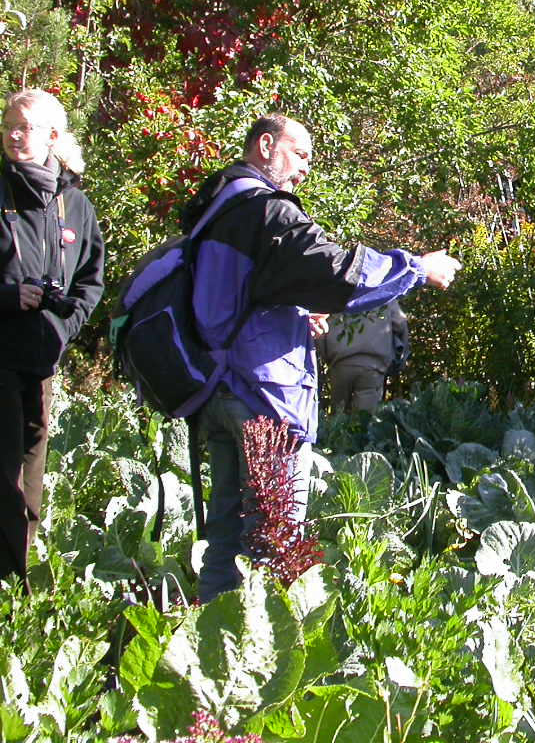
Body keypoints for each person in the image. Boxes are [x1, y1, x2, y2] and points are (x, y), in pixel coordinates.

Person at [183, 113, 460, 602]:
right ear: (265, 146)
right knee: (275, 542)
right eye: (299, 154)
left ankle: (209, 637)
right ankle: (266, 644)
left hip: (216, 392)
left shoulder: (213, 207)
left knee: (224, 540)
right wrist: (417, 268)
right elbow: (339, 271)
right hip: (264, 397)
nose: (305, 168)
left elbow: (239, 294)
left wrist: (293, 313)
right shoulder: (266, 210)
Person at [0, 88, 104, 590]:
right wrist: (7, 296)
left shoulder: (75, 205)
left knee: (31, 477)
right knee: (3, 477)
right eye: (9, 125)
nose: (15, 136)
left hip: (41, 359)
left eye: (26, 127)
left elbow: (90, 281)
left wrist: (63, 329)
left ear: (53, 137)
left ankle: (18, 590)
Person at [317, 300, 409, 414]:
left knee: (339, 416)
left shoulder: (334, 293)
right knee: (365, 418)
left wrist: (325, 356)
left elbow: (320, 326)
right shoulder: (383, 294)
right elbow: (400, 324)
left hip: (340, 363)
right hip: (373, 366)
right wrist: (400, 359)